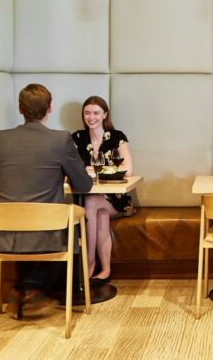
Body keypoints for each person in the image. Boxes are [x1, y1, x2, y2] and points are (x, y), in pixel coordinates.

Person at [0, 83, 93, 317]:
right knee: (71, 226)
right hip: (47, 233)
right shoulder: (60, 139)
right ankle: (32, 288)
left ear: (20, 109)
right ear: (50, 108)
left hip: (4, 233)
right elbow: (84, 186)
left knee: (29, 226)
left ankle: (22, 289)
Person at [70, 95, 134, 284]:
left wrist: (91, 169)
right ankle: (105, 270)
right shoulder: (77, 138)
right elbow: (72, 169)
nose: (91, 117)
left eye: (96, 113)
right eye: (87, 113)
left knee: (91, 202)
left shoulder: (117, 137)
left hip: (116, 198)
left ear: (105, 114)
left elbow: (128, 169)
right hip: (88, 197)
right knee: (101, 215)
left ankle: (89, 264)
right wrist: (104, 169)